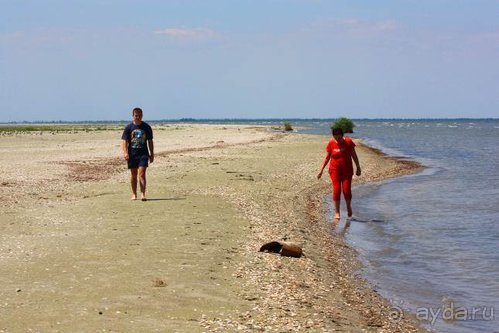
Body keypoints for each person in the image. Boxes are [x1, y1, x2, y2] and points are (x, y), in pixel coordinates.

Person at [317, 127, 361, 219]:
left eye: (339, 137)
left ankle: (348, 207)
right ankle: (337, 212)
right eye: (335, 137)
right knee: (337, 190)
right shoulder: (331, 143)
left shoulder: (348, 142)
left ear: (342, 136)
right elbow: (327, 157)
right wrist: (321, 170)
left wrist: (358, 167)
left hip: (347, 170)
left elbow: (354, 155)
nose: (337, 139)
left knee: (346, 190)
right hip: (334, 170)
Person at [121, 107, 154, 201]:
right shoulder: (129, 127)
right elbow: (124, 141)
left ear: (142, 115)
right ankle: (134, 194)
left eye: (140, 115)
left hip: (143, 154)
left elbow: (150, 141)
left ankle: (143, 194)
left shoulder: (146, 127)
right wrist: (125, 152)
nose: (138, 117)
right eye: (136, 115)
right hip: (132, 154)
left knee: (142, 173)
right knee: (133, 175)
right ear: (133, 116)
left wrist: (152, 154)